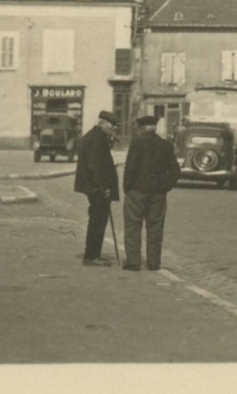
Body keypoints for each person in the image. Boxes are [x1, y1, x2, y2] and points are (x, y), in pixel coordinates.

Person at [122, 114, 179, 272]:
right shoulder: (165, 145)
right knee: (155, 228)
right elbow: (175, 171)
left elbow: (130, 167)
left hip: (137, 191)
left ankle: (133, 262)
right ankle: (154, 263)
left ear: (141, 128)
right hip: (158, 194)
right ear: (155, 127)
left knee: (133, 227)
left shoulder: (137, 143)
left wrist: (127, 187)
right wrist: (166, 186)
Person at [73, 110, 120, 266]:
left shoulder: (94, 136)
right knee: (98, 221)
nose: (115, 128)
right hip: (97, 189)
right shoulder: (98, 139)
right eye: (112, 125)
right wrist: (104, 187)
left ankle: (93, 254)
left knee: (96, 220)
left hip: (92, 187)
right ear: (103, 123)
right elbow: (95, 166)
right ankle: (92, 256)